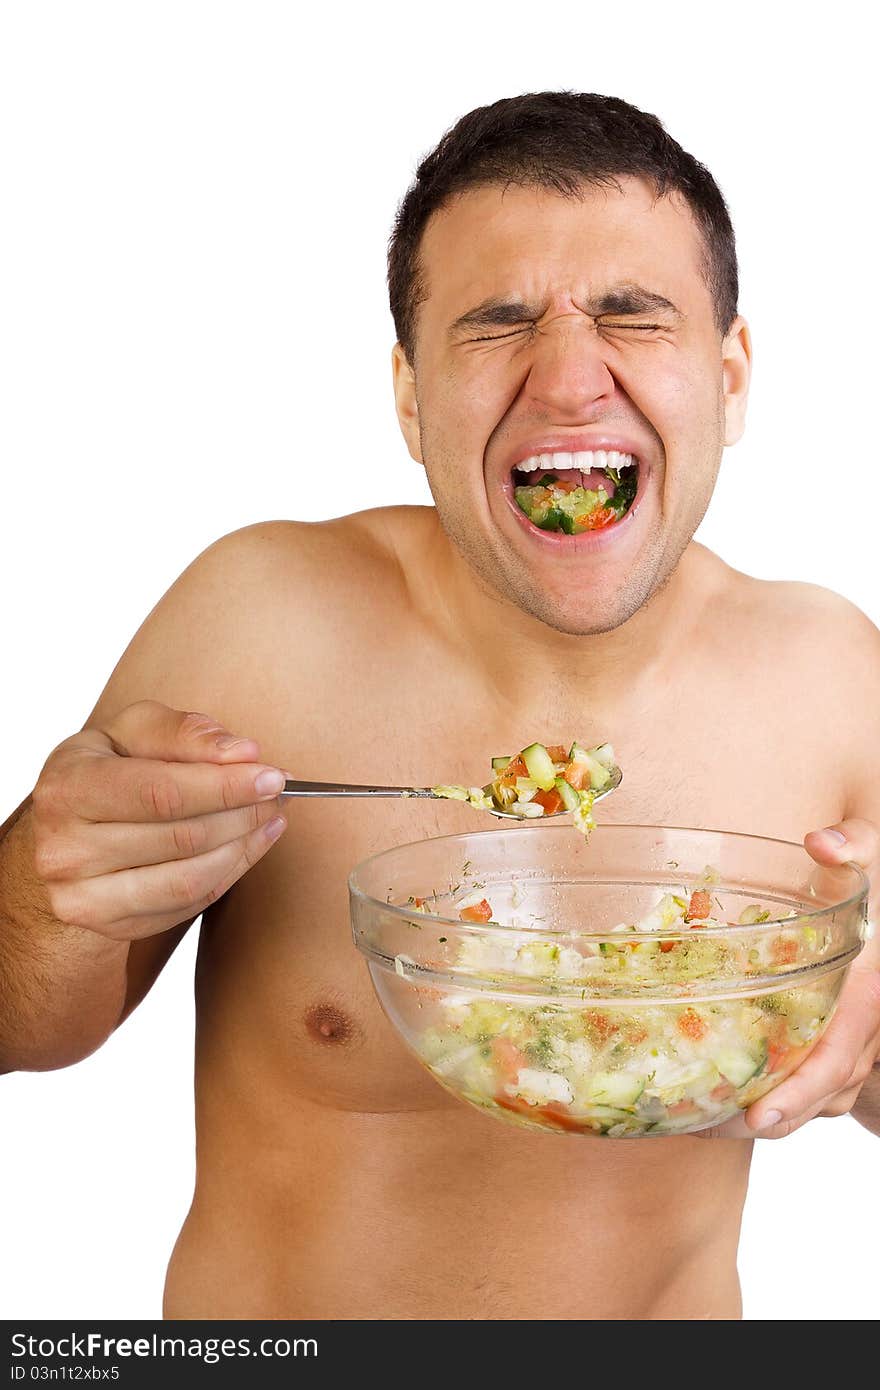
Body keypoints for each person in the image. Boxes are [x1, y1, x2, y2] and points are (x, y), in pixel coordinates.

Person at [1, 90, 878, 1322]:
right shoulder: (261, 619)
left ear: (728, 379)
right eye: (496, 324)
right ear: (411, 400)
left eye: (632, 314)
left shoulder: (837, 676)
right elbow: (21, 1024)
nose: (571, 378)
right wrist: (44, 889)